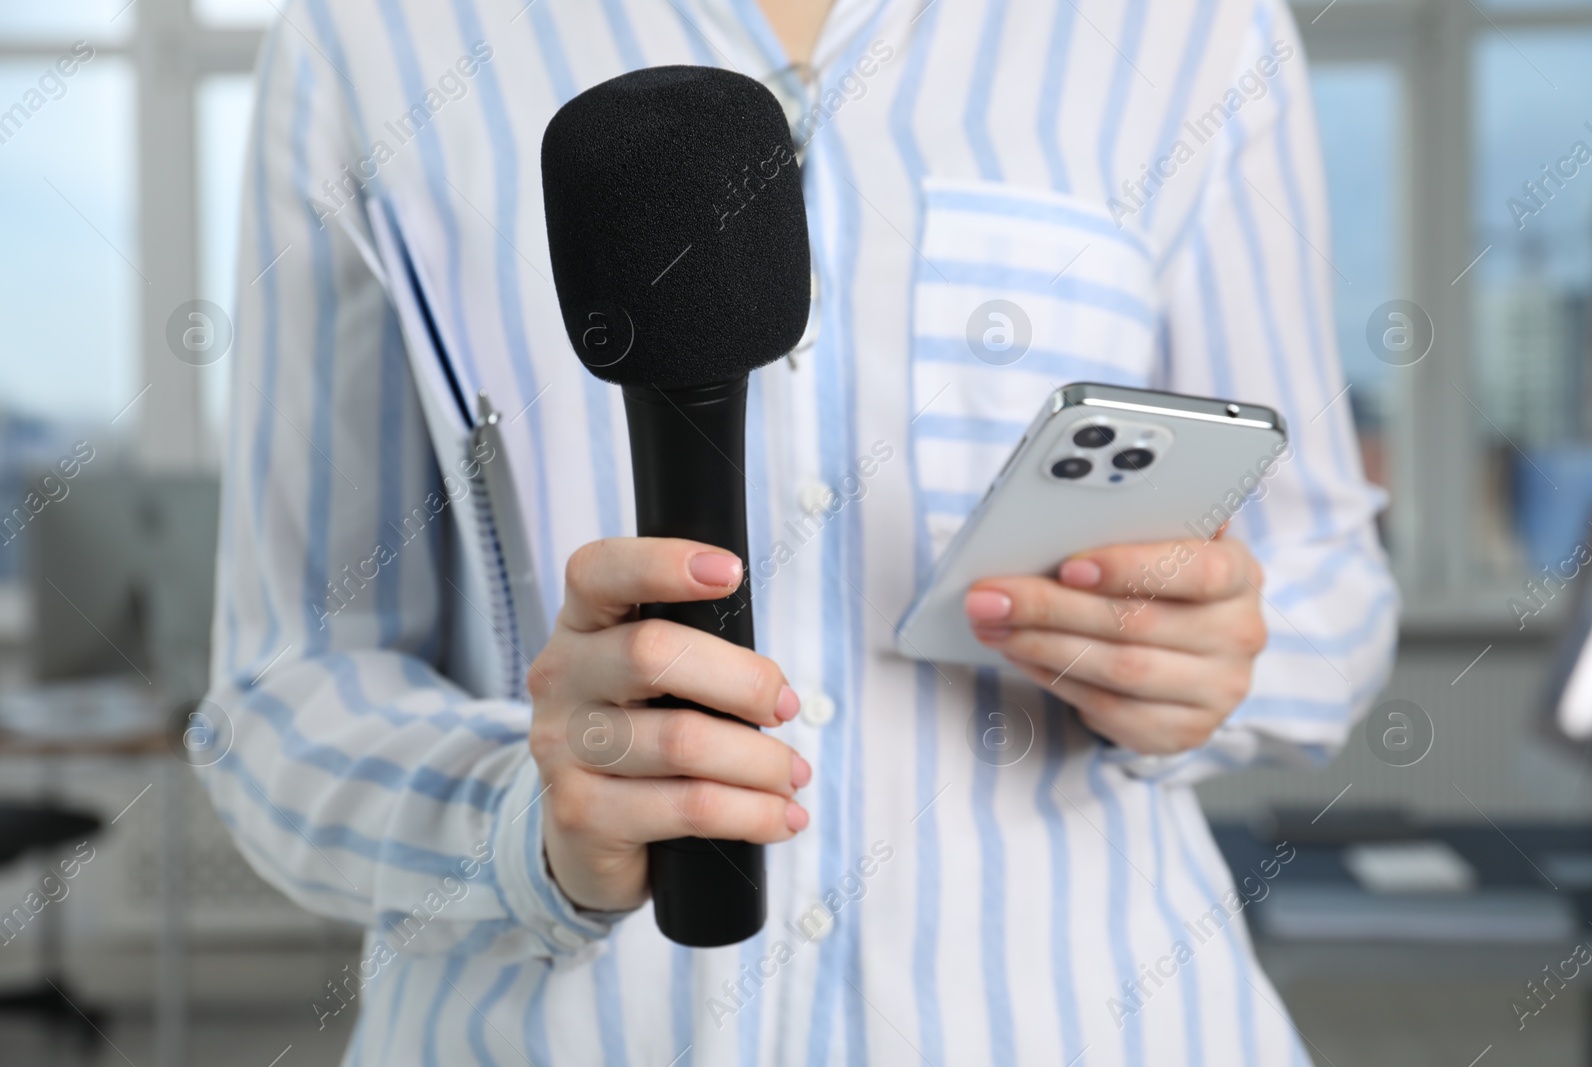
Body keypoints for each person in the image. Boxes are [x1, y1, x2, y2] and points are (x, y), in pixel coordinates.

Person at [201, 0, 1396, 1063]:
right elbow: (275, 694)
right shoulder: (370, 37)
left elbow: (1332, 592)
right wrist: (524, 821)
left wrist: (1220, 655)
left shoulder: (1193, 32)